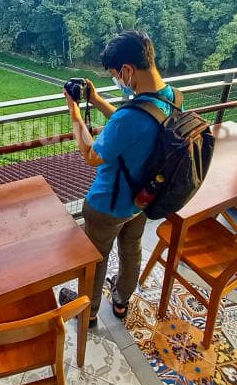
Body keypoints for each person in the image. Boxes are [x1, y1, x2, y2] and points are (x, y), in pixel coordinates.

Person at [60, 30, 174, 326]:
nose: (118, 81)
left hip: (108, 206)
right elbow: (136, 122)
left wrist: (74, 111)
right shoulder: (171, 98)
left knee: (95, 259)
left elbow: (92, 154)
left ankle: (89, 311)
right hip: (142, 199)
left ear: (126, 70)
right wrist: (96, 100)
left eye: (115, 75)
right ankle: (122, 300)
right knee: (131, 248)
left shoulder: (129, 117)